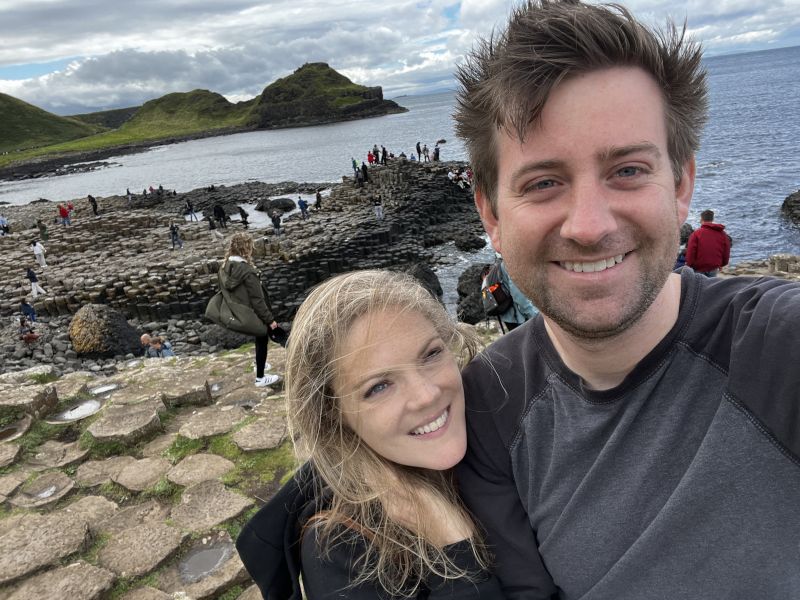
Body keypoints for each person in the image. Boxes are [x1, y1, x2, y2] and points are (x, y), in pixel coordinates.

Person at [453, 1, 800, 598]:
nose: (589, 227)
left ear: (681, 184)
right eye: (543, 182)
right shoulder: (487, 402)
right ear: (491, 215)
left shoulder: (777, 347)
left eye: (629, 171)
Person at [236, 270, 503, 599]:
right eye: (378, 387)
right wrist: (453, 547)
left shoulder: (506, 433)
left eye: (431, 354)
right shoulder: (340, 554)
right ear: (334, 413)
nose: (427, 395)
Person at [218, 233, 281, 387]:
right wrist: (270, 320)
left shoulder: (226, 266)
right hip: (253, 310)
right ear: (246, 248)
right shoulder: (247, 271)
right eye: (250, 246)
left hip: (240, 309)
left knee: (259, 337)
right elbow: (257, 299)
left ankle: (259, 363)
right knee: (262, 337)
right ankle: (260, 377)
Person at [685, 209, 730, 276]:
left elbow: (691, 251)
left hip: (698, 268)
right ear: (712, 219)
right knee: (711, 282)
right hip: (714, 267)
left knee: (698, 282)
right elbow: (726, 250)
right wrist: (722, 264)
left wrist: (689, 265)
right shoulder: (722, 234)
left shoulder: (696, 234)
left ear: (701, 219)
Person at [497, 257, 538, 331]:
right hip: (519, 317)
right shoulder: (512, 263)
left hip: (508, 315)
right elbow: (518, 295)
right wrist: (533, 314)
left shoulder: (502, 262)